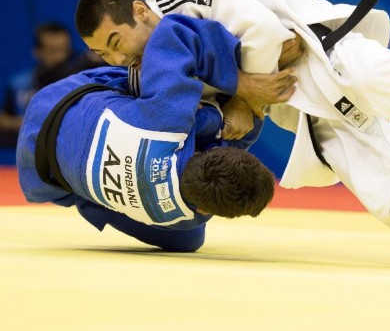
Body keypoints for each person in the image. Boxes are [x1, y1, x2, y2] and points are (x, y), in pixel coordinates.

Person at [74, 0, 390, 276]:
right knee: (375, 181)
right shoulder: (142, 72)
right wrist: (242, 103)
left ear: (139, 11)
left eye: (118, 40)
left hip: (321, 45)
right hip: (298, 103)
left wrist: (247, 100)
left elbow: (263, 30)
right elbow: (200, 113)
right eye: (103, 53)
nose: (119, 57)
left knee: (386, 78)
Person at [16, 15, 279, 252]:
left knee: (165, 92)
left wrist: (241, 95)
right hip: (41, 171)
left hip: (56, 100)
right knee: (188, 241)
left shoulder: (169, 121)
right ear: (204, 209)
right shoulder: (188, 219)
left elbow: (173, 32)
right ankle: (87, 194)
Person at [1, 22, 106, 148]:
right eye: (53, 51)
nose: (60, 57)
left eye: (65, 50)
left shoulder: (82, 80)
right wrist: (33, 124)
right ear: (37, 52)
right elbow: (4, 119)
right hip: (27, 153)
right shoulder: (19, 84)